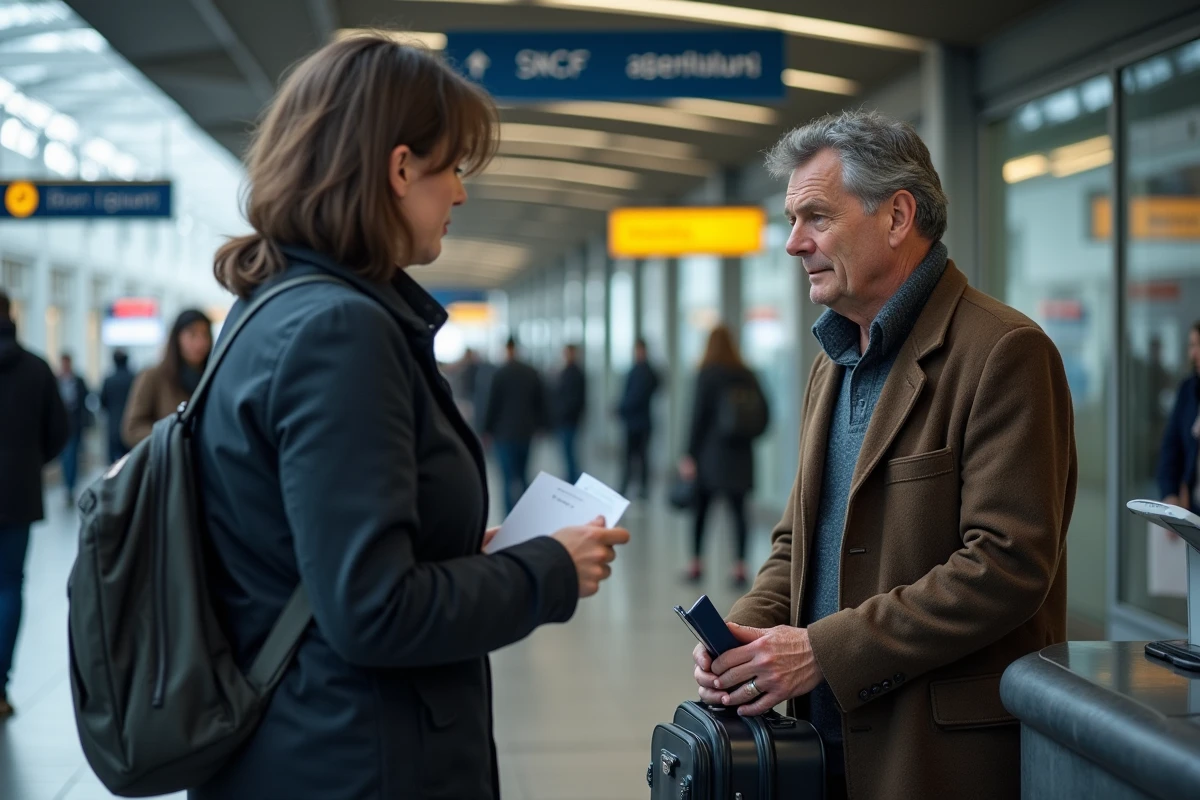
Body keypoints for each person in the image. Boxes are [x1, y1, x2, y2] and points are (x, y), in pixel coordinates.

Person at [189, 33, 629, 800]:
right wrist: (548, 569)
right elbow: (372, 611)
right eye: (452, 167)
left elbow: (313, 555)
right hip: (357, 761)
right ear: (399, 169)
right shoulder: (340, 333)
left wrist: (461, 551)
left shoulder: (269, 311)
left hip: (301, 745)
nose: (460, 193)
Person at [691, 111, 1077, 800]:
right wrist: (744, 638)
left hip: (933, 754)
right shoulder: (833, 361)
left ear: (897, 216)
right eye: (790, 220)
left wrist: (820, 652)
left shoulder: (1002, 353)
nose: (793, 243)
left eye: (815, 217)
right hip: (821, 739)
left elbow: (1007, 565)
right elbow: (796, 541)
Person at [0, 290, 68, 718]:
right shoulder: (37, 368)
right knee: (8, 587)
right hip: (18, 495)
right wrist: (28, 464)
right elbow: (59, 432)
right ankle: (0, 685)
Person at [679, 326, 768, 587]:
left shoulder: (707, 374)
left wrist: (689, 454)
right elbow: (764, 415)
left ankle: (696, 563)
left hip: (710, 455)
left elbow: (697, 417)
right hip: (741, 456)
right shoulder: (747, 374)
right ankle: (740, 567)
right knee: (739, 512)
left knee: (701, 510)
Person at [122, 308, 212, 447]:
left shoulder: (212, 377)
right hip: (170, 463)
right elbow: (132, 429)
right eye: (192, 334)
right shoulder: (153, 377)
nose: (200, 342)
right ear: (177, 338)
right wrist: (176, 437)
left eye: (205, 335)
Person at [484, 337, 547, 513]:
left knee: (507, 479)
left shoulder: (500, 374)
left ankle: (509, 518)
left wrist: (486, 430)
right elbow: (541, 402)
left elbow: (491, 405)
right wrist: (541, 425)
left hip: (504, 434)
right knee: (523, 476)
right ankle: (526, 515)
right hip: (525, 431)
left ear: (506, 349)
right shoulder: (530, 372)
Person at [1157, 321, 1200, 512]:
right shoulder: (1188, 389)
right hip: (1192, 508)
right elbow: (1171, 447)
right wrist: (1170, 494)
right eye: (1192, 345)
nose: (1194, 354)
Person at [617, 338, 659, 499]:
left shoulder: (646, 371)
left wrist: (622, 408)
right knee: (629, 457)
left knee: (642, 457)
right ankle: (626, 485)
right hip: (633, 421)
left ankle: (642, 488)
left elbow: (636, 396)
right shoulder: (636, 370)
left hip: (641, 422)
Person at [56, 352, 90, 505]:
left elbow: (84, 402)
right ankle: (67, 484)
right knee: (65, 457)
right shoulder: (56, 381)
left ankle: (70, 486)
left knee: (72, 455)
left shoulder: (79, 381)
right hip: (61, 425)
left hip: (75, 425)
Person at [551, 343, 587, 483]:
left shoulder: (576, 373)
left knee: (570, 455)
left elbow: (575, 400)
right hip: (564, 420)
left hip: (569, 421)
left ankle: (573, 482)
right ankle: (571, 480)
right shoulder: (565, 372)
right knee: (567, 455)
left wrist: (562, 414)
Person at [99, 349, 135, 464]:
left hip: (113, 426)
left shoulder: (109, 380)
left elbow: (103, 402)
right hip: (131, 427)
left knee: (113, 464)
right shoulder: (134, 378)